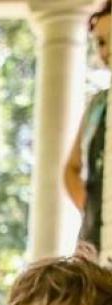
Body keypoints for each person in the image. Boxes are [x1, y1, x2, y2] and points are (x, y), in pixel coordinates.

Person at [64, 0, 111, 261]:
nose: (107, 50)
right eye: (101, 43)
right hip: (96, 234)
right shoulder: (98, 105)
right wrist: (94, 207)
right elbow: (70, 168)